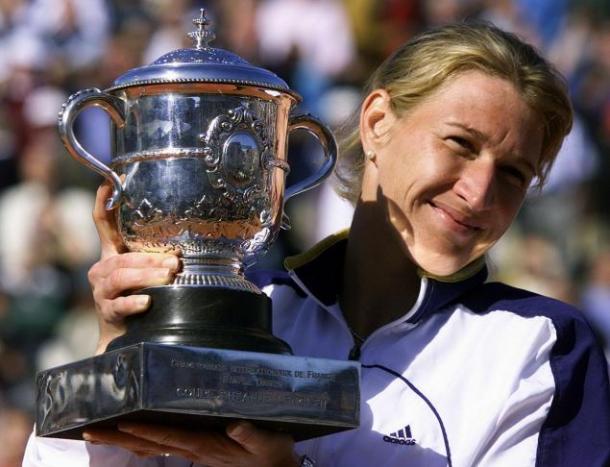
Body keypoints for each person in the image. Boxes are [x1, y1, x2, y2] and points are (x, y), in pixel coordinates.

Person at [24, 22, 610, 467]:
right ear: (378, 122)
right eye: (459, 143)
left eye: (513, 174)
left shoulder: (543, 348)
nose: (479, 192)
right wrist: (121, 348)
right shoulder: (254, 313)